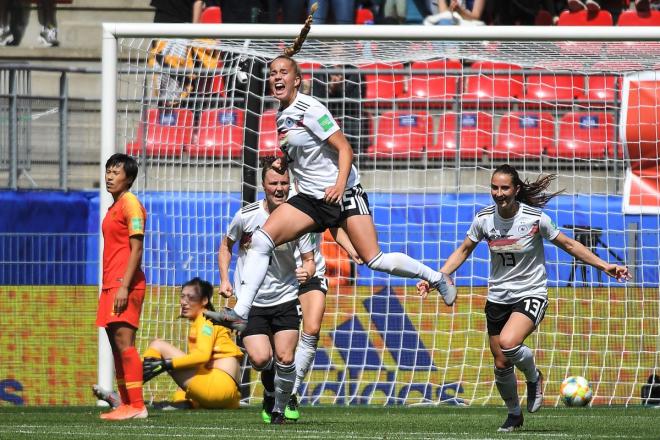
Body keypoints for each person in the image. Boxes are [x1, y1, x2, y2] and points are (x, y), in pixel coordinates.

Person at [209, 9, 456, 333]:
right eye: (272, 73)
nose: (276, 77)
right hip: (311, 199)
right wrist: (284, 162)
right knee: (262, 240)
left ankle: (436, 277)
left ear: (297, 79)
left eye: (283, 72)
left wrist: (340, 185)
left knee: (373, 259)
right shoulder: (281, 116)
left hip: (343, 193)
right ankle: (241, 311)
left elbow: (344, 148)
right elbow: (300, 155)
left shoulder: (311, 108)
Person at [417, 164, 631, 433]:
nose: (498, 193)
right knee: (501, 362)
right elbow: (463, 251)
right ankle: (514, 414)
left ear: (516, 189)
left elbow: (569, 244)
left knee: (508, 343)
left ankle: (534, 377)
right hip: (497, 296)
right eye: (494, 187)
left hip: (531, 293)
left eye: (504, 187)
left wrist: (604, 266)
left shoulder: (535, 218)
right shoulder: (483, 219)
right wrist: (436, 279)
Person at [209, 156, 316, 424]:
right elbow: (226, 246)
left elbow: (309, 260)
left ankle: (278, 410)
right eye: (274, 183)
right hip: (251, 301)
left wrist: (307, 271)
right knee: (260, 359)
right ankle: (270, 391)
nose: (280, 188)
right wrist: (224, 279)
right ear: (263, 185)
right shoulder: (245, 216)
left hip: (285, 297)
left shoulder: (299, 219)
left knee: (285, 358)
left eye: (284, 183)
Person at [94, 277, 244, 410]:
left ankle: (127, 397)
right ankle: (179, 403)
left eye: (190, 298)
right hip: (228, 396)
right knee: (180, 381)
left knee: (158, 345)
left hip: (219, 388)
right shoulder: (204, 321)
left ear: (204, 300)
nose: (184, 302)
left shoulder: (205, 321)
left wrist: (167, 364)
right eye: (183, 297)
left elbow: (202, 357)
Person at [95, 153, 148, 420]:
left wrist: (124, 286)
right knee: (116, 345)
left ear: (128, 178)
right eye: (108, 171)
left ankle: (137, 405)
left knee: (125, 344)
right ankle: (126, 403)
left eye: (115, 172)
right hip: (111, 284)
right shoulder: (114, 207)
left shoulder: (131, 205)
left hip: (124, 284)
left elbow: (136, 248)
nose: (109, 176)